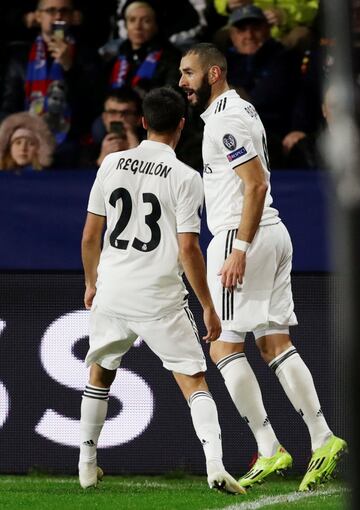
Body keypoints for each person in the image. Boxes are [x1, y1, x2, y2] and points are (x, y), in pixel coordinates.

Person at [179, 42, 347, 491]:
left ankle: (270, 447)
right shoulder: (243, 111)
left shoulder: (227, 119)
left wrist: (239, 248)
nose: (183, 82)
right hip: (270, 232)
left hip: (243, 236)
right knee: (274, 343)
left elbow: (255, 184)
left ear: (213, 73)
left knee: (223, 348)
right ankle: (322, 437)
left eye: (189, 73)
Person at [78, 86, 246, 495]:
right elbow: (188, 247)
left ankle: (86, 465)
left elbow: (89, 238)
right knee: (193, 379)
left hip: (114, 290)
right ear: (183, 126)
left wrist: (91, 283)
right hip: (159, 296)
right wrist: (208, 305)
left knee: (100, 372)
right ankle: (215, 465)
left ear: (142, 122)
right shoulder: (187, 178)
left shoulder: (112, 163)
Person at [0, 0, 104, 166]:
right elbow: (9, 105)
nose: (58, 15)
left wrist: (69, 67)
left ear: (73, 17)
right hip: (28, 136)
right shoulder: (20, 57)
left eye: (64, 11)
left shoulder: (88, 56)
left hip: (71, 137)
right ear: (38, 16)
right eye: (51, 10)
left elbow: (92, 106)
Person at [225, 5, 302, 168]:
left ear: (267, 29)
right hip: (229, 134)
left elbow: (297, 96)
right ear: (232, 35)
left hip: (271, 133)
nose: (249, 35)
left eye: (256, 28)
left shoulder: (284, 58)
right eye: (241, 30)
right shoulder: (223, 63)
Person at [106, 2, 181, 99]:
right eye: (132, 20)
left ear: (156, 25)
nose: (137, 27)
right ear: (125, 25)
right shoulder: (114, 57)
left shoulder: (172, 58)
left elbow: (170, 99)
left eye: (146, 21)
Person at [83, 87, 144, 168]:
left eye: (126, 113)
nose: (119, 119)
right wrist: (101, 161)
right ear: (104, 118)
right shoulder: (88, 149)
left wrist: (137, 153)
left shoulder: (151, 145)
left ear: (138, 119)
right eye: (112, 112)